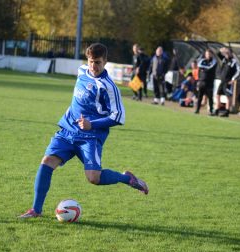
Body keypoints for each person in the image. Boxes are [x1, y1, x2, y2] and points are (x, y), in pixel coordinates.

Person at [19, 43, 149, 219]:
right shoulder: (82, 71)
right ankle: (36, 210)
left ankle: (127, 178)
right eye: (90, 62)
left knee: (93, 178)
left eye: (97, 62)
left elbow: (119, 117)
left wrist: (92, 124)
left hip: (90, 137)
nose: (93, 66)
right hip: (68, 130)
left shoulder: (108, 86)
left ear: (105, 62)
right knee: (47, 161)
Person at [214, 47, 240, 117]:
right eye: (226, 53)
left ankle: (227, 111)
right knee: (218, 95)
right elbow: (217, 53)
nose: (227, 54)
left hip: (228, 81)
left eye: (228, 53)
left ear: (231, 53)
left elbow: (238, 71)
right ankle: (217, 110)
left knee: (228, 96)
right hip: (222, 80)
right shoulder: (224, 60)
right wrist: (221, 49)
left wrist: (233, 79)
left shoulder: (234, 61)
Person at [194, 49, 217, 115]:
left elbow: (210, 68)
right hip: (202, 81)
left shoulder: (214, 61)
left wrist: (203, 69)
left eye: (209, 54)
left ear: (212, 54)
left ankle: (211, 110)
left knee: (210, 97)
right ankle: (197, 109)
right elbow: (199, 66)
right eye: (207, 54)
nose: (208, 55)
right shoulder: (202, 60)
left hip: (209, 82)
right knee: (200, 96)